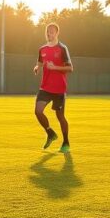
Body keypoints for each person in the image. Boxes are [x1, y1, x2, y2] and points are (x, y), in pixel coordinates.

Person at [34, 23, 73, 152]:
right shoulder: (42, 49)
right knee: (38, 111)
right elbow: (40, 61)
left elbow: (70, 68)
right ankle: (50, 133)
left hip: (59, 89)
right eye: (47, 31)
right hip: (45, 87)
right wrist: (37, 67)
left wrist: (55, 67)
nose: (49, 34)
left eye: (51, 32)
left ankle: (66, 142)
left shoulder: (62, 48)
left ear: (57, 33)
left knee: (60, 117)